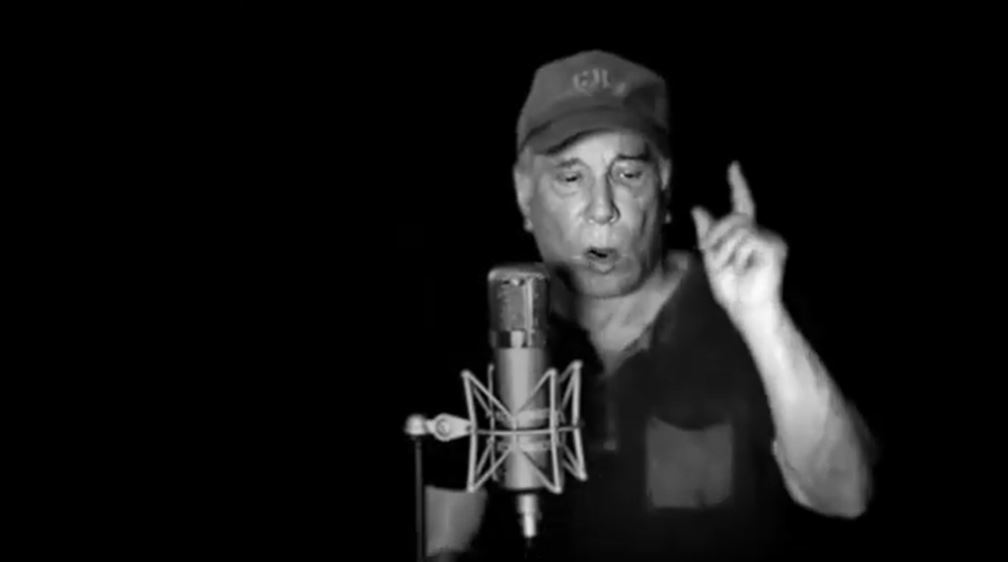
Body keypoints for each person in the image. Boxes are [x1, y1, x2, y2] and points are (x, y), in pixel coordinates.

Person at [421, 50, 877, 562]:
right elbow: (444, 540)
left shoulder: (758, 308)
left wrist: (761, 317)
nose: (602, 209)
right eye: (570, 178)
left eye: (628, 174)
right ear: (524, 194)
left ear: (663, 182)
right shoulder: (491, 331)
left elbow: (846, 496)